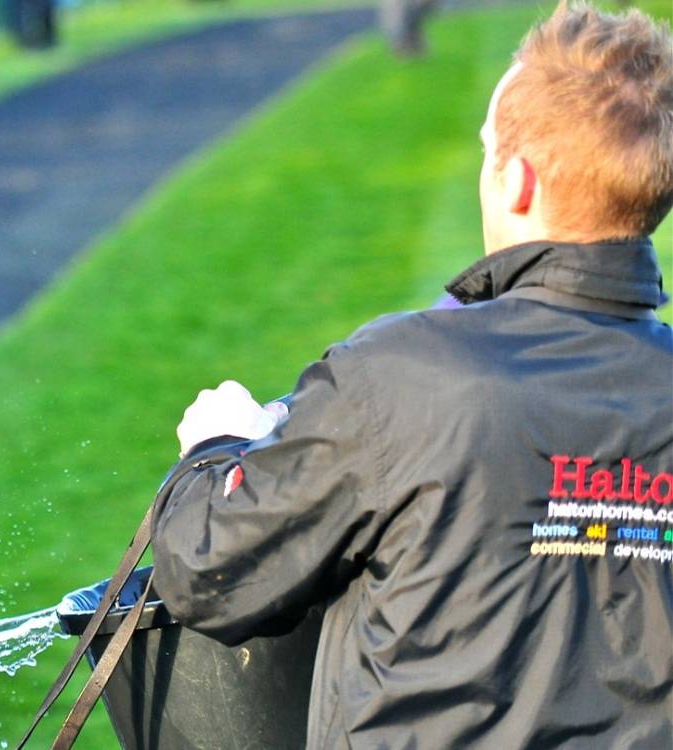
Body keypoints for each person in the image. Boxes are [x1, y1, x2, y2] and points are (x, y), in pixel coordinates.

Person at [153, 3, 673, 746]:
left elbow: (209, 572)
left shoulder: (397, 379)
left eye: (487, 152)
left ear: (518, 181)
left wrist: (216, 449)